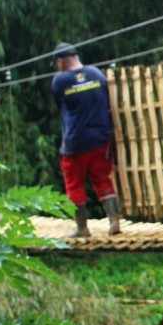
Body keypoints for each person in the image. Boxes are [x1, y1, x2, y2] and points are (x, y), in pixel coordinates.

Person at [50, 42, 121, 237]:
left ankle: (82, 228)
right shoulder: (96, 74)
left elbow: (59, 104)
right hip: (100, 138)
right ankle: (114, 221)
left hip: (75, 141)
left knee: (74, 183)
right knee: (102, 178)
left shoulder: (60, 81)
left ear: (61, 60)